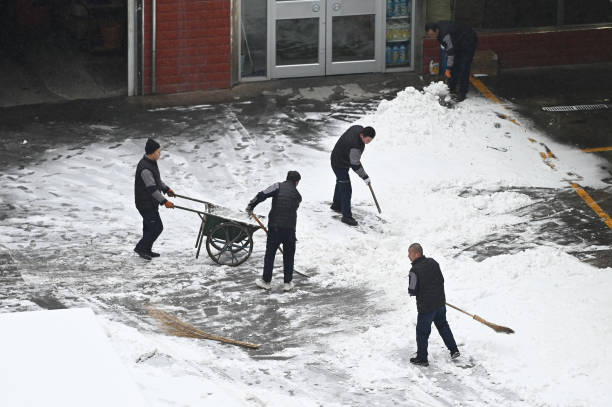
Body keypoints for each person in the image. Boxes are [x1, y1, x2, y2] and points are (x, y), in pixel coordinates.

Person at [246, 171, 302, 292]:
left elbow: (262, 194)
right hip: (290, 229)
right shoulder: (298, 195)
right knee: (289, 255)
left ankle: (266, 281)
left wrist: (251, 205)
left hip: (275, 227)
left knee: (270, 254)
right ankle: (287, 283)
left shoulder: (278, 186)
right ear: (297, 182)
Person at [407, 243, 460, 366]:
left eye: (410, 253)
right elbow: (441, 280)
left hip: (426, 307)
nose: (408, 256)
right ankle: (454, 350)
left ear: (417, 253)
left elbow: (412, 290)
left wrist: (414, 290)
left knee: (422, 332)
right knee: (443, 326)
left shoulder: (414, 270)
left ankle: (422, 358)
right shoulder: (433, 262)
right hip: (440, 303)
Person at [134, 138, 175, 260]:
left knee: (149, 227)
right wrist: (164, 201)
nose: (160, 154)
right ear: (152, 153)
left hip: (149, 202)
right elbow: (152, 189)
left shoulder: (150, 163)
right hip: (145, 203)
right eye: (158, 152)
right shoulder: (145, 168)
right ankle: (141, 248)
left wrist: (167, 189)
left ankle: (146, 249)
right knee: (157, 227)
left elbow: (157, 180)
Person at [330, 125, 375, 226]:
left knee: (341, 181)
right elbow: (355, 164)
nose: (368, 142)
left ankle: (336, 205)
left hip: (340, 157)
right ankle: (346, 217)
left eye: (370, 141)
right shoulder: (356, 145)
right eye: (367, 140)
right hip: (339, 163)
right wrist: (365, 177)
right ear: (362, 135)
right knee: (346, 188)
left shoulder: (357, 128)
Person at [425, 21, 478, 102]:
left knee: (464, 66)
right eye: (429, 35)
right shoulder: (439, 32)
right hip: (458, 42)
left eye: (432, 34)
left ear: (437, 30)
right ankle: (452, 88)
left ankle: (462, 92)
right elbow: (449, 49)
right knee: (455, 64)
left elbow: (451, 53)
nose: (432, 36)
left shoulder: (445, 34)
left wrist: (448, 69)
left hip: (469, 41)